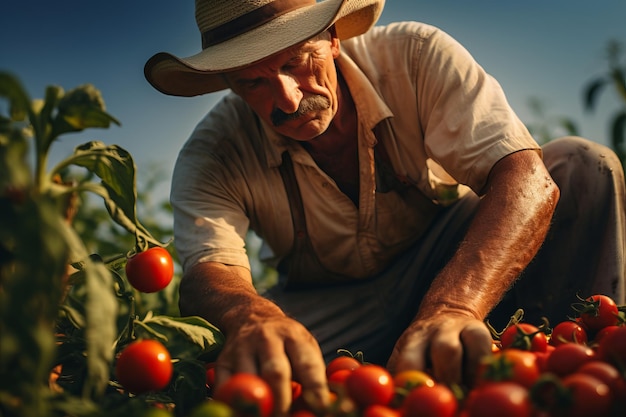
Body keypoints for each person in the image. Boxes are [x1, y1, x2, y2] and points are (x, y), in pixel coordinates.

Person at [144, 0, 626, 414]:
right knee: (231, 363)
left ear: (332, 38)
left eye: (296, 62)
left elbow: (525, 177)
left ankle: (589, 351)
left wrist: (454, 305)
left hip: (449, 256)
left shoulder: (413, 57)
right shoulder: (214, 151)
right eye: (254, 83)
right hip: (326, 306)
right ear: (230, 84)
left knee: (582, 166)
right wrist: (253, 318)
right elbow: (211, 270)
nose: (287, 101)